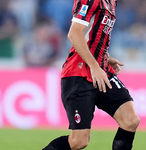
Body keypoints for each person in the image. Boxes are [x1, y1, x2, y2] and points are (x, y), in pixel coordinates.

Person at [42, 0, 140, 150]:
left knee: (130, 120)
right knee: (79, 141)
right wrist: (94, 66)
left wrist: (106, 58)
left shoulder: (111, 2)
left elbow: (93, 37)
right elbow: (74, 34)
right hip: (79, 74)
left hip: (101, 71)